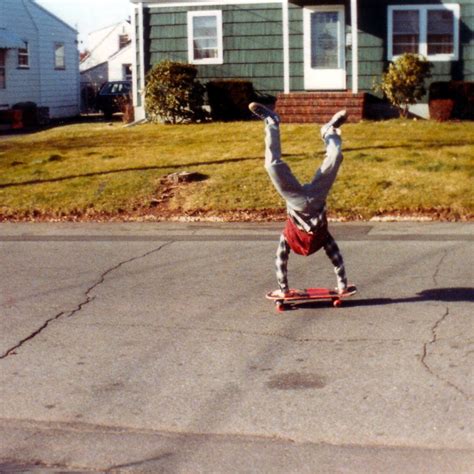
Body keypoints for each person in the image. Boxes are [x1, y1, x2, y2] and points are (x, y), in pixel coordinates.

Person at [249, 102, 356, 297]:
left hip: (294, 200)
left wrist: (284, 290)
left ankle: (272, 122)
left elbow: (280, 260)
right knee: (335, 157)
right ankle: (329, 131)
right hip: (317, 196)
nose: (309, 235)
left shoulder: (287, 238)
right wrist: (342, 286)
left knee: (272, 166)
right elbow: (336, 258)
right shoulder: (323, 238)